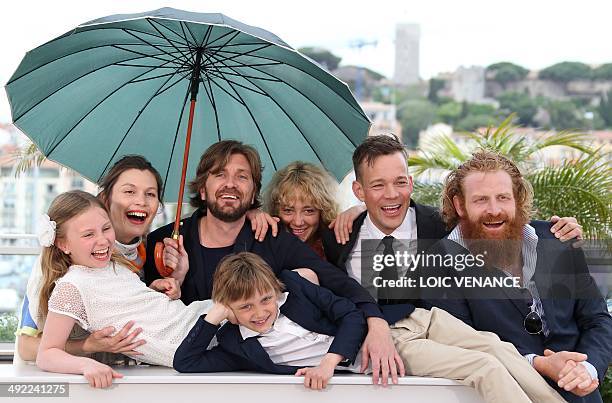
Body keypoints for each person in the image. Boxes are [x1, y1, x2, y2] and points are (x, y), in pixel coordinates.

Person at [143, 140, 398, 385]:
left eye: (242, 176)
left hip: (265, 376)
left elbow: (338, 282)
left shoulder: (272, 238)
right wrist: (175, 283)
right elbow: (158, 318)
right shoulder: (166, 242)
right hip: (195, 372)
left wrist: (376, 321)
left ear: (254, 191)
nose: (230, 184)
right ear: (202, 188)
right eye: (219, 174)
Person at [423, 150, 612, 403]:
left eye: (503, 197)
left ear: (517, 198)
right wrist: (539, 364)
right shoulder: (439, 264)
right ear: (460, 205)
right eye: (480, 200)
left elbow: (597, 319)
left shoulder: (559, 239)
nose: (494, 210)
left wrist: (586, 370)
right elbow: (466, 348)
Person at [35, 190, 214, 388]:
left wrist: (155, 291)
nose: (103, 240)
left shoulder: (115, 265)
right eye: (88, 234)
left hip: (194, 321)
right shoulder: (71, 286)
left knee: (241, 306)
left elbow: (133, 308)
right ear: (63, 243)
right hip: (190, 341)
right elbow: (46, 354)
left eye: (106, 228)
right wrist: (85, 365)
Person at [16, 155, 164, 363]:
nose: (141, 201)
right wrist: (87, 346)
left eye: (151, 194)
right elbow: (26, 346)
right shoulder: (63, 258)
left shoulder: (151, 252)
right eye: (129, 191)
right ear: (105, 199)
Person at [173, 252, 367, 390]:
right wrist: (214, 316)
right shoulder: (236, 346)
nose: (260, 313)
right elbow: (186, 362)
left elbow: (351, 314)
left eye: (266, 299)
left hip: (375, 341)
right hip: (360, 379)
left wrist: (328, 363)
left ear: (275, 289)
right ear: (229, 309)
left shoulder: (295, 288)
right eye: (245, 307)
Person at [263, 161, 340, 259]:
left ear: (323, 211)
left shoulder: (338, 246)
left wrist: (359, 210)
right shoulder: (266, 249)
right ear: (275, 210)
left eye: (308, 211)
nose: (298, 222)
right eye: (288, 210)